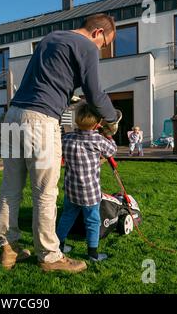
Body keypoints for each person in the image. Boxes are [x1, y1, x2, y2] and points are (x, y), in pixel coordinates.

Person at [0, 13, 121, 273]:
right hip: (40, 122)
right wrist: (113, 119)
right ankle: (50, 256)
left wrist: (68, 96)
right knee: (45, 192)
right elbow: (95, 93)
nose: (102, 49)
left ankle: (9, 248)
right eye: (105, 44)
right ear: (98, 32)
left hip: (13, 116)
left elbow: (48, 78)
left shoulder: (52, 37)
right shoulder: (87, 45)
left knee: (11, 188)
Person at [56, 102, 117, 262]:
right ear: (97, 123)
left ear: (76, 121)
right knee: (92, 221)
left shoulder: (67, 139)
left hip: (71, 190)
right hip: (90, 192)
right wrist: (108, 134)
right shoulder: (98, 140)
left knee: (67, 216)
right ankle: (92, 253)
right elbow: (112, 150)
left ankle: (59, 245)